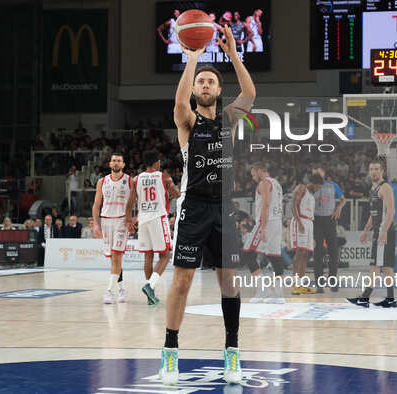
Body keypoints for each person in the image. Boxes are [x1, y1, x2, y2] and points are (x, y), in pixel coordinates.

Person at [159, 25, 255, 386]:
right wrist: (193, 59)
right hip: (194, 207)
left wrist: (232, 54)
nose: (204, 85)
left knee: (228, 281)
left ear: (218, 91)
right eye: (200, 81)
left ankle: (232, 350)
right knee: (182, 281)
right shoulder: (187, 121)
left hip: (224, 209)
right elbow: (179, 103)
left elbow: (250, 92)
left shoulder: (229, 118)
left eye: (210, 82)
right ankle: (170, 353)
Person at [125, 151, 180, 305]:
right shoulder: (164, 176)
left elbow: (130, 202)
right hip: (158, 217)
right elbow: (176, 194)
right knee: (165, 256)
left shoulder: (136, 179)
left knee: (148, 256)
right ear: (157, 163)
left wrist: (128, 221)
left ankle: (151, 295)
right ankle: (150, 286)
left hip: (143, 219)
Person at [347, 159, 397, 308]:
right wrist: (365, 231)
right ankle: (390, 299)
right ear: (369, 172)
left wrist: (384, 231)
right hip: (379, 229)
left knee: (374, 266)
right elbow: (373, 214)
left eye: (376, 169)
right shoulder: (373, 188)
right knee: (387, 267)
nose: (374, 171)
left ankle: (364, 298)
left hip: (383, 230)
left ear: (382, 171)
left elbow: (391, 211)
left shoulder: (385, 187)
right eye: (371, 169)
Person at [242, 162, 285, 304]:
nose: (253, 177)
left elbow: (266, 204)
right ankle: (278, 295)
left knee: (248, 254)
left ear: (260, 171)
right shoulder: (276, 183)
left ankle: (263, 291)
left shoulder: (264, 183)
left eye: (253, 174)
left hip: (266, 222)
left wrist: (264, 227)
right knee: (275, 257)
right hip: (277, 221)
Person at [92, 153, 131, 304]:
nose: (116, 163)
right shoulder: (102, 181)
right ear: (109, 164)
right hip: (106, 221)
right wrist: (96, 224)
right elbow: (96, 205)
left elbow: (137, 200)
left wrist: (135, 218)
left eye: (119, 161)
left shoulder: (129, 181)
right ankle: (121, 289)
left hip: (121, 221)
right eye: (113, 161)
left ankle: (108, 292)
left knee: (117, 257)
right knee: (113, 260)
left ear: (123, 164)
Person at [312, 165, 347, 292]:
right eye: (314, 173)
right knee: (317, 253)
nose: (316, 175)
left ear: (323, 173)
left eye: (318, 172)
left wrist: (339, 208)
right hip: (316, 220)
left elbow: (343, 200)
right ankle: (319, 284)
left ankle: (332, 281)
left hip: (330, 220)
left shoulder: (332, 185)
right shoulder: (310, 186)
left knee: (333, 252)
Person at [290, 175, 322, 295]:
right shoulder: (301, 188)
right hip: (300, 221)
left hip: (309, 222)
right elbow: (293, 205)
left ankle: (302, 285)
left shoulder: (311, 195)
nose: (318, 189)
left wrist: (311, 234)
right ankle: (295, 285)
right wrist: (299, 223)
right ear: (314, 183)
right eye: (318, 186)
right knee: (299, 253)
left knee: (305, 254)